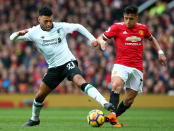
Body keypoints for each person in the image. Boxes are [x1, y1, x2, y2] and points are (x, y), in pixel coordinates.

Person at [10, 6, 114, 127]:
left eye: (50, 20)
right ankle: (34, 119)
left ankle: (105, 103)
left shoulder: (60, 27)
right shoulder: (33, 32)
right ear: (39, 20)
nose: (49, 24)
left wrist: (92, 39)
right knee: (40, 95)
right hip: (54, 68)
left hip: (68, 62)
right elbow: (12, 37)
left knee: (79, 81)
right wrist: (18, 34)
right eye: (46, 21)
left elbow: (78, 26)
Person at [96, 5, 167, 127]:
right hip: (121, 65)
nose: (128, 21)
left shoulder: (142, 28)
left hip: (137, 68)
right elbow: (101, 37)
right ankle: (113, 114)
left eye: (131, 18)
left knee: (129, 100)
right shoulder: (116, 27)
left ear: (136, 18)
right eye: (126, 18)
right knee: (116, 85)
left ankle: (113, 117)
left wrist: (160, 52)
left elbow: (152, 38)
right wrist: (102, 43)